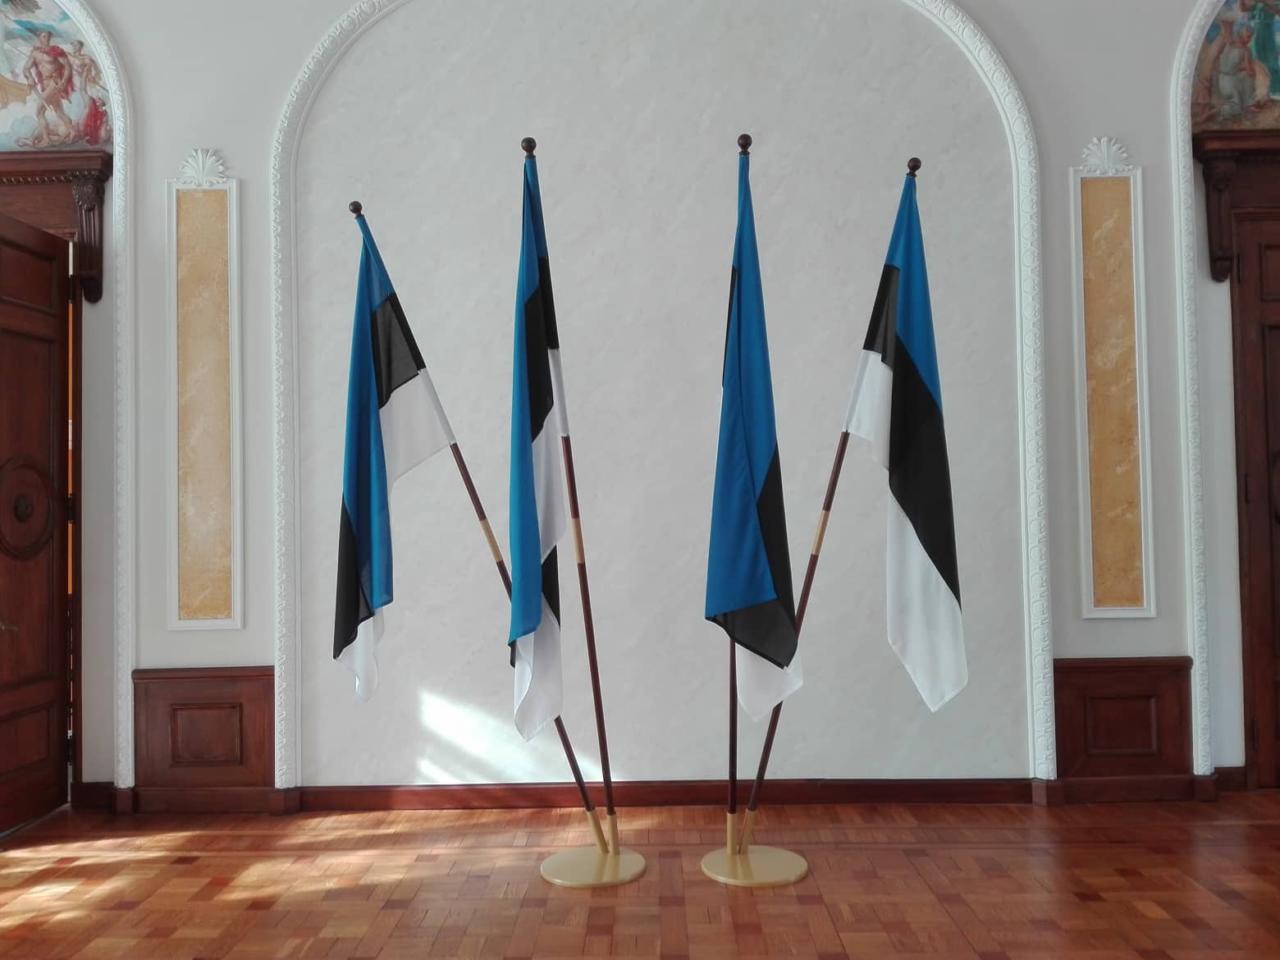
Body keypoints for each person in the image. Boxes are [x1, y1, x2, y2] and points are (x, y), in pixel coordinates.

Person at [20, 31, 74, 147]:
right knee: (59, 111)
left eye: (48, 36)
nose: (47, 38)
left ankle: (46, 140)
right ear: (39, 38)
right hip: (45, 85)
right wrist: (30, 78)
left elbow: (68, 67)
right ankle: (72, 132)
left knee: (39, 112)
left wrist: (64, 81)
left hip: (54, 83)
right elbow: (26, 68)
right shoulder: (35, 53)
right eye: (44, 36)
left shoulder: (55, 51)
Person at [1217, 21, 1260, 120]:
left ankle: (1233, 106)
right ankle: (1248, 105)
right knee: (1249, 76)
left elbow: (1226, 65)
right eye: (1248, 36)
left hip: (1221, 82)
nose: (1250, 39)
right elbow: (1249, 71)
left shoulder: (1228, 44)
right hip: (1232, 85)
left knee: (1242, 75)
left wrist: (1239, 68)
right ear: (1240, 34)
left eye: (1251, 37)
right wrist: (1254, 72)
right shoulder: (1246, 50)